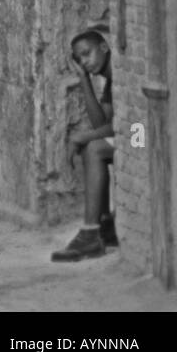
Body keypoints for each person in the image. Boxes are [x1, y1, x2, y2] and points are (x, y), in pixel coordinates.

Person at [51, 29, 119, 261]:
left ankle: (92, 233)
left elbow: (121, 127)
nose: (84, 61)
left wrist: (82, 137)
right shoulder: (110, 81)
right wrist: (84, 79)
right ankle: (103, 225)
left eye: (87, 54)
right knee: (94, 146)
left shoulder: (122, 73)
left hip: (141, 139)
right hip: (132, 135)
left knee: (94, 147)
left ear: (104, 47)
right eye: (79, 59)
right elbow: (101, 122)